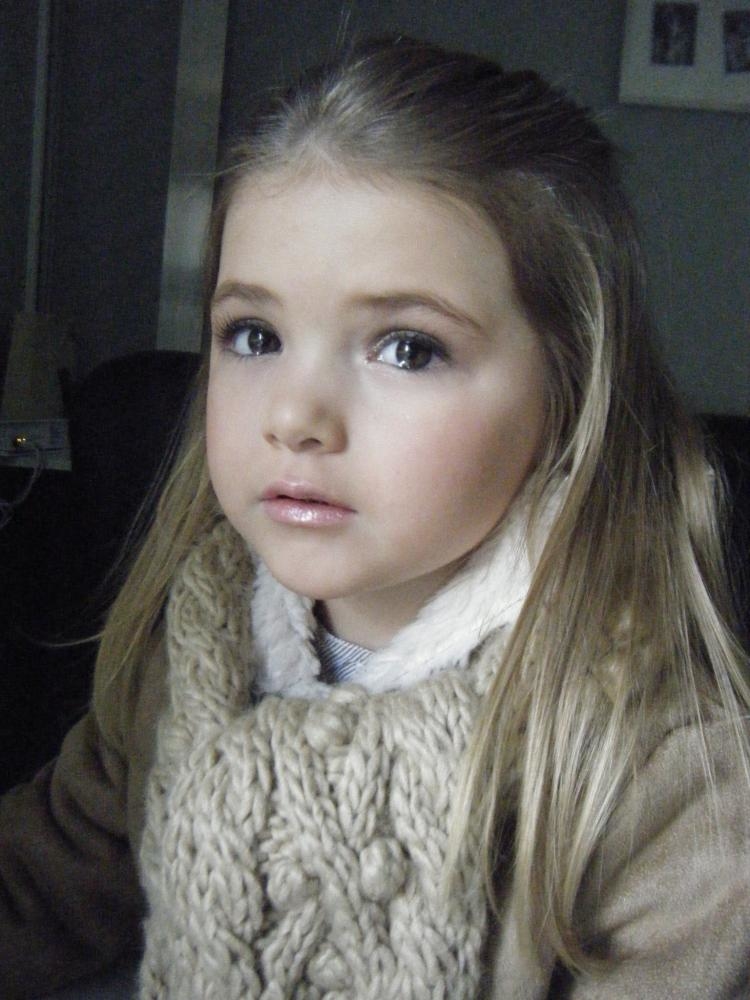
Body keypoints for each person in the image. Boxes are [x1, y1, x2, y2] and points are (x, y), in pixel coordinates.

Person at [1, 36, 749, 1000]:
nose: (295, 416)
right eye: (254, 335)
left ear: (568, 394)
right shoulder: (183, 659)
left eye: (407, 349)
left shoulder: (671, 782)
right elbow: (42, 883)